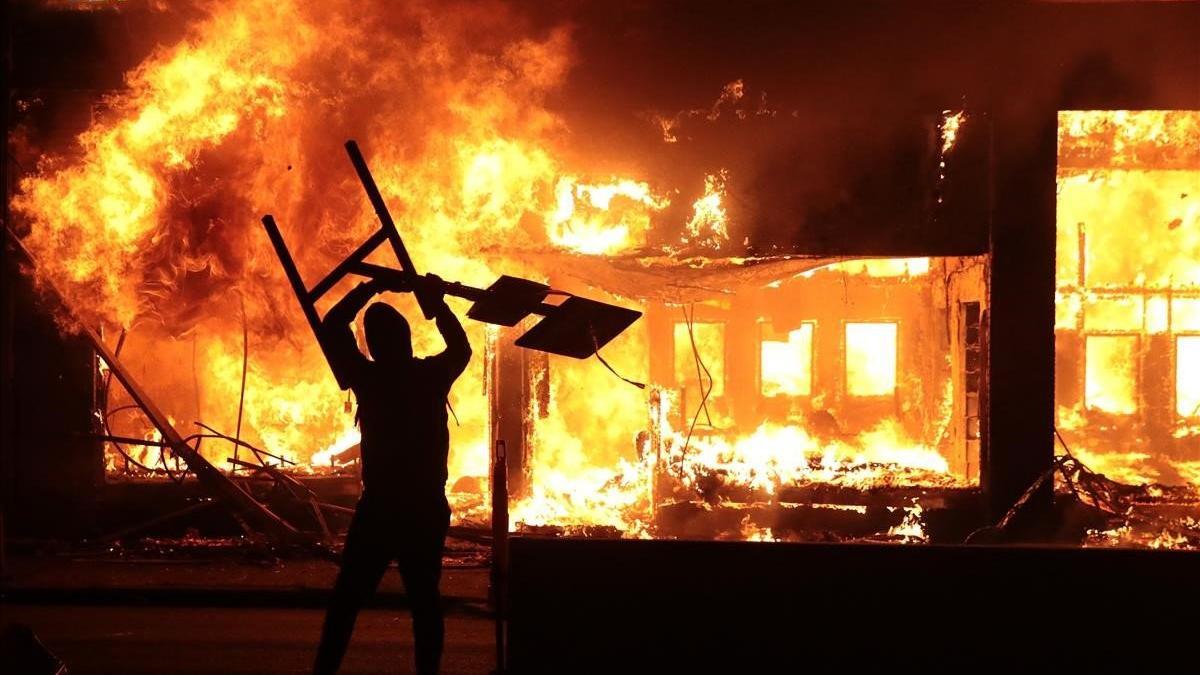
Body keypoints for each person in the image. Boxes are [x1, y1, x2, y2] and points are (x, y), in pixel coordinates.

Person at [313, 273, 471, 675]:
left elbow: (333, 324)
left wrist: (371, 287)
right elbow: (462, 348)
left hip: (381, 508)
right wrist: (437, 306)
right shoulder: (430, 376)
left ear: (373, 345)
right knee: (424, 603)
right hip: (423, 507)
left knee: (348, 601)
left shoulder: (369, 378)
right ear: (406, 339)